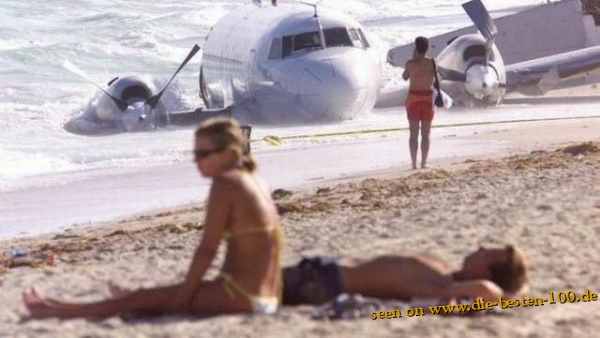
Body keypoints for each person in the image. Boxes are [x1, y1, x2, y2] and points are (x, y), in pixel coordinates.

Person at [23, 117, 282, 319]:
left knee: (139, 300)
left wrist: (182, 299)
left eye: (204, 154)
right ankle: (68, 305)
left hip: (245, 296)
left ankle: (58, 310)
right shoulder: (252, 179)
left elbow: (207, 250)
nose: (197, 162)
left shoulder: (225, 183)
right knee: (146, 297)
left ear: (226, 153)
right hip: (265, 294)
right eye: (194, 154)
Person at [283, 245, 527, 306]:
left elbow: (488, 292)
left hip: (321, 282)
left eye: (486, 253)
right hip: (321, 271)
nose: (480, 248)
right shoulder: (444, 272)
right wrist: (515, 288)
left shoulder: (441, 285)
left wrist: (507, 293)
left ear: (484, 273)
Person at [402, 36, 437, 169]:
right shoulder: (433, 62)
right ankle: (423, 163)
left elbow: (405, 77)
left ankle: (413, 164)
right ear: (427, 48)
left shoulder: (410, 64)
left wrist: (413, 57)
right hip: (427, 99)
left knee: (413, 134)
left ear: (416, 48)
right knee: (426, 134)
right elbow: (435, 76)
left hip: (413, 99)